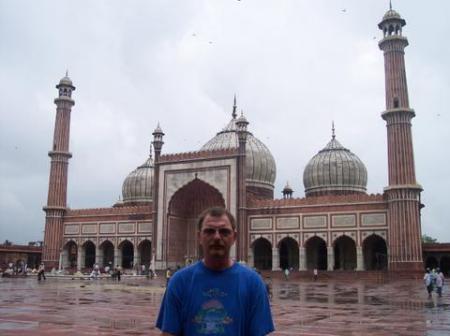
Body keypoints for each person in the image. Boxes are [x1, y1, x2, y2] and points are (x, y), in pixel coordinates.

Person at [156, 207, 274, 335]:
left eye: (224, 231)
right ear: (199, 237)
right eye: (209, 231)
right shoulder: (180, 282)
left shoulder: (253, 283)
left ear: (234, 237)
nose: (217, 237)